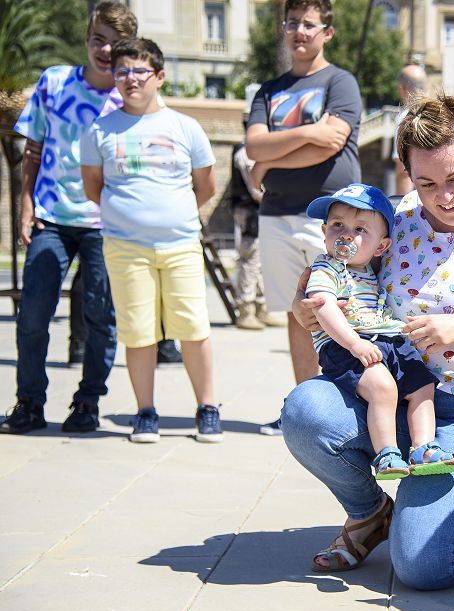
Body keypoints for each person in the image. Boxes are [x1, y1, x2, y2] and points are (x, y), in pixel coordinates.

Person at [282, 94, 454, 585]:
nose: (443, 197)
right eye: (426, 183)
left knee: (424, 566)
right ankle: (371, 513)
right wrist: (309, 314)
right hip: (400, 403)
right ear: (407, 173)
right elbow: (332, 286)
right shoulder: (393, 220)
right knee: (306, 411)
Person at [1, 2, 136, 436]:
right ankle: (29, 402)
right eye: (98, 39)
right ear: (86, 38)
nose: (104, 50)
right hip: (51, 218)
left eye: (115, 45)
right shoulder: (54, 81)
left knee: (100, 316)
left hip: (106, 225)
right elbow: (34, 150)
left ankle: (87, 402)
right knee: (34, 314)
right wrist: (26, 207)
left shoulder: (130, 95)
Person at [80, 37, 222, 443]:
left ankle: (207, 408)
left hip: (180, 245)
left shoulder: (185, 127)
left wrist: (168, 215)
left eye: (139, 71)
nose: (130, 79)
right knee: (137, 332)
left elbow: (205, 186)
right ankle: (145, 412)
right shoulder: (100, 130)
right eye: (122, 71)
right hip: (126, 248)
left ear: (158, 76)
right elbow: (95, 187)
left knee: (193, 328)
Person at [246, 0, 362, 436]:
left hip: (330, 217)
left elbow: (332, 144)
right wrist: (305, 135)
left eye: (308, 24)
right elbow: (254, 146)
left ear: (327, 32)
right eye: (292, 23)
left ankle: (348, 407)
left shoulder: (340, 82)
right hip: (276, 214)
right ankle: (304, 410)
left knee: (338, 307)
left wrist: (270, 159)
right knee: (298, 314)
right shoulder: (269, 90)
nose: (299, 31)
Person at [305, 183, 454, 480]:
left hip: (384, 341)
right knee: (383, 388)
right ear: (324, 232)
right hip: (346, 344)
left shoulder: (368, 271)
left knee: (423, 386)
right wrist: (353, 345)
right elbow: (322, 305)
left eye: (361, 230)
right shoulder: (327, 266)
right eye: (338, 225)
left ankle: (424, 447)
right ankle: (386, 453)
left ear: (381, 247)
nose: (347, 235)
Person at [230, 86, 269, 330]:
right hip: (250, 211)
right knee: (251, 258)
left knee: (260, 259)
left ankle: (260, 306)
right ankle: (246, 309)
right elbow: (255, 188)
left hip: (256, 211)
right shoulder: (245, 152)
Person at [393, 64, 427, 196]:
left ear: (402, 89)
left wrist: (400, 203)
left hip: (418, 197)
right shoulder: (440, 112)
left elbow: (404, 171)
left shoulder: (406, 118)